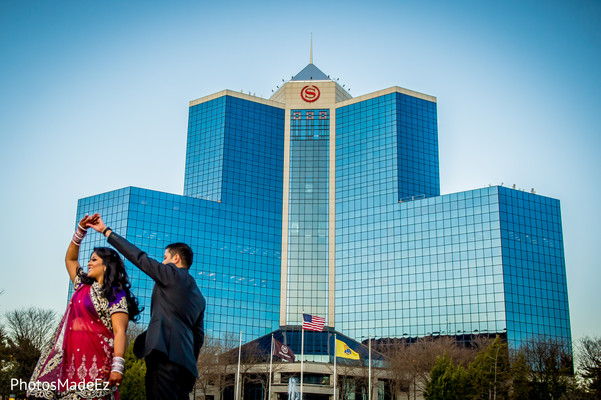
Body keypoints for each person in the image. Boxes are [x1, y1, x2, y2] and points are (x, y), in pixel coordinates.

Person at [88, 213, 206, 400]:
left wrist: (106, 231)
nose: (162, 262)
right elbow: (198, 338)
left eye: (165, 257)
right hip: (186, 369)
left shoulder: (170, 274)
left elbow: (139, 258)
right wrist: (191, 363)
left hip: (164, 356)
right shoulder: (200, 297)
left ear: (175, 259)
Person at [28, 214, 142, 400]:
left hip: (96, 362)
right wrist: (81, 231)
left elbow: (120, 331)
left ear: (106, 266)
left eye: (94, 260)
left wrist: (117, 366)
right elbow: (71, 260)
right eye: (89, 259)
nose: (89, 262)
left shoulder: (115, 293)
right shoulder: (82, 285)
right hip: (65, 358)